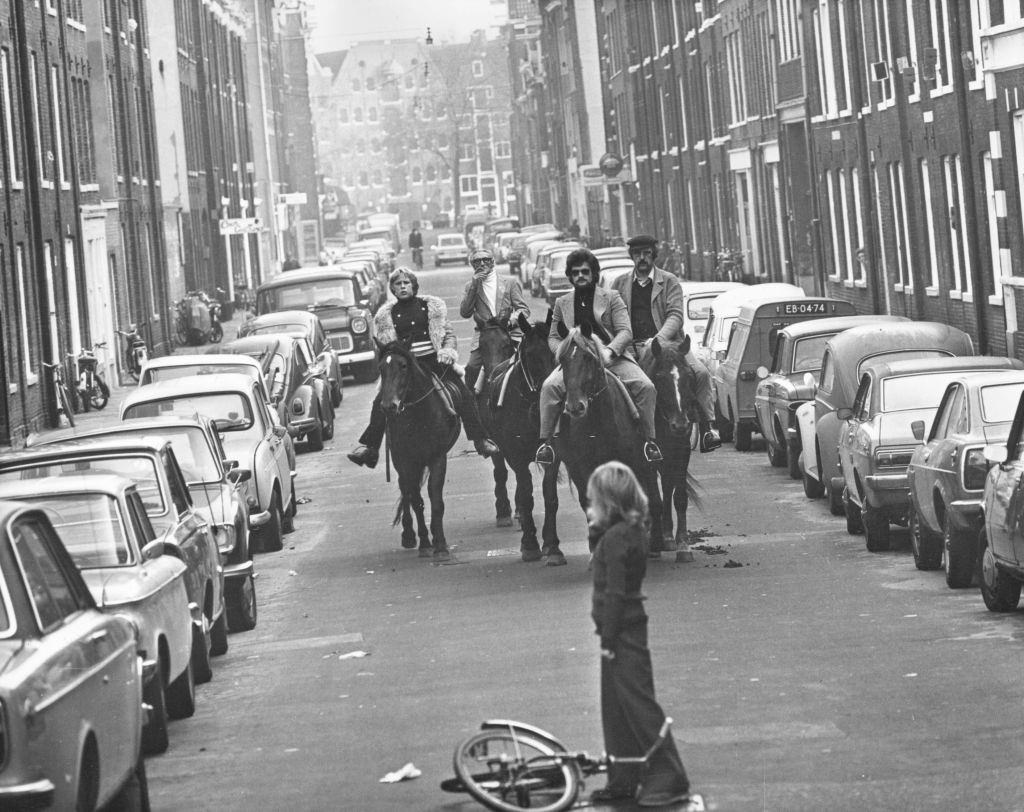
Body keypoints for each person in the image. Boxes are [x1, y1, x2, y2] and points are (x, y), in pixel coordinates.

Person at [587, 461, 694, 807]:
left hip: (622, 633)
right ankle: (625, 774)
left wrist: (608, 639)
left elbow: (616, 592)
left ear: (610, 502)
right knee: (616, 704)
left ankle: (669, 773)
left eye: (594, 501)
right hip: (623, 629)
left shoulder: (617, 538)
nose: (590, 507)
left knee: (635, 701)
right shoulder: (625, 532)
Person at [347, 267, 499, 468]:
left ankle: (480, 440)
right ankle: (370, 447)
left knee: (464, 393)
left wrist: (447, 352)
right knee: (380, 401)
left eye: (406, 283)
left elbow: (449, 336)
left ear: (413, 286)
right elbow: (386, 347)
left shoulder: (432, 307)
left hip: (433, 361)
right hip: (404, 367)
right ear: (392, 288)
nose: (402, 287)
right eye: (397, 284)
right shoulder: (386, 315)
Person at [535, 248, 663, 465]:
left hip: (612, 359)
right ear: (570, 276)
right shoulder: (561, 302)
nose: (580, 276)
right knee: (549, 387)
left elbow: (625, 331)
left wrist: (609, 352)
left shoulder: (612, 297)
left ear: (594, 274)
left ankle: (649, 442)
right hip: (575, 361)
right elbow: (553, 337)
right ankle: (547, 444)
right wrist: (564, 352)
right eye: (575, 273)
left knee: (646, 386)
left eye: (585, 272)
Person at [612, 234, 720, 452]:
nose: (642, 258)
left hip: (670, 345)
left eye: (646, 253)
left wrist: (658, 339)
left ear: (654, 255)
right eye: (637, 254)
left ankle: (708, 428)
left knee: (700, 373)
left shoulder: (669, 281)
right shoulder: (620, 283)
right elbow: (615, 316)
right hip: (633, 348)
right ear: (631, 257)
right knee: (618, 382)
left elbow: (676, 315)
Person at [459, 247, 531, 390]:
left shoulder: (509, 282)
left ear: (493, 262)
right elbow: (465, 313)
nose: (482, 264)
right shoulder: (470, 286)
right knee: (472, 367)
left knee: (528, 362)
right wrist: (474, 286)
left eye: (486, 260)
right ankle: (471, 405)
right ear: (472, 265)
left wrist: (512, 321)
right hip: (484, 334)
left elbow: (524, 310)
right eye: (477, 261)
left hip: (509, 331)